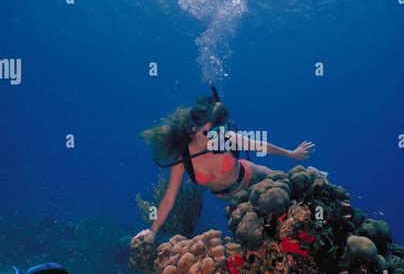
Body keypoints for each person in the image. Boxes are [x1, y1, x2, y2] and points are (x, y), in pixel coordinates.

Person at [131, 90, 316, 246]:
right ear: (193, 132)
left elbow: (260, 145)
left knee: (289, 185)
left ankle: (315, 179)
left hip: (252, 175)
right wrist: (152, 230)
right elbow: (169, 198)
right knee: (264, 230)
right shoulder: (184, 158)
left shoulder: (226, 138)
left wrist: (292, 154)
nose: (214, 135)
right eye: (208, 132)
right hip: (234, 198)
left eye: (216, 129)